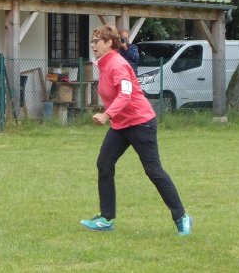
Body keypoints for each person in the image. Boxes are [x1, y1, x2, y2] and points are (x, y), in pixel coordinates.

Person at [80, 25, 193, 236]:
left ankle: (182, 216)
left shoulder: (118, 65)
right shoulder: (104, 64)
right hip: (121, 125)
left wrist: (106, 115)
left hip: (141, 123)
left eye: (97, 41)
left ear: (109, 43)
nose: (93, 45)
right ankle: (106, 219)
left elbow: (126, 95)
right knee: (104, 163)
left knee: (154, 171)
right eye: (93, 41)